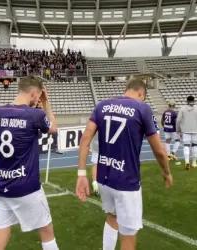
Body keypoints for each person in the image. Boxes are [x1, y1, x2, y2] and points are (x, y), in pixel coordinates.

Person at [76, 78, 172, 250]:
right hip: (126, 181)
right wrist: (166, 172)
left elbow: (84, 139)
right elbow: (158, 150)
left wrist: (81, 174)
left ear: (125, 88)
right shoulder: (142, 108)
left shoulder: (102, 105)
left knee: (112, 218)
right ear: (141, 93)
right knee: (128, 235)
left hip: (104, 177)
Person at [0, 76, 58, 250]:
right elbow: (53, 129)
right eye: (38, 96)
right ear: (34, 93)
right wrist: (46, 104)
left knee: (0, 236)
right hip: (26, 187)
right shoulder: (36, 115)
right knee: (46, 231)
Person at [177, 95, 197, 170]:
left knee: (186, 146)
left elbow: (178, 120)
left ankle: (187, 162)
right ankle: (194, 162)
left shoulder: (182, 108)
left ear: (187, 101)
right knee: (194, 146)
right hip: (196, 130)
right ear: (194, 100)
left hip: (185, 130)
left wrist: (178, 130)